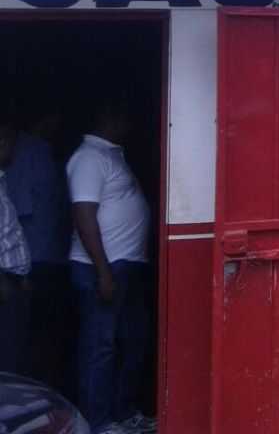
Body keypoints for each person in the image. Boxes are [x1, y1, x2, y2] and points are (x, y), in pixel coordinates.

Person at [67, 102, 155, 434]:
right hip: (102, 267)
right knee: (99, 346)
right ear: (113, 121)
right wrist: (103, 271)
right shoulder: (89, 157)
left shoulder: (110, 155)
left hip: (125, 264)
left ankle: (123, 412)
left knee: (134, 337)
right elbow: (83, 215)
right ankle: (97, 421)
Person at [4, 104, 73, 391]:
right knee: (27, 341)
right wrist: (17, 274)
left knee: (48, 333)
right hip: (35, 260)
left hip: (45, 259)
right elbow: (16, 216)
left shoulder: (40, 151)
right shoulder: (27, 154)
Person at [0, 117, 33, 377]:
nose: (17, 151)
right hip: (3, 287)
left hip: (12, 282)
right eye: (15, 144)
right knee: (7, 366)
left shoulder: (3, 182)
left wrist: (21, 278)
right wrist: (5, 286)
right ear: (3, 143)